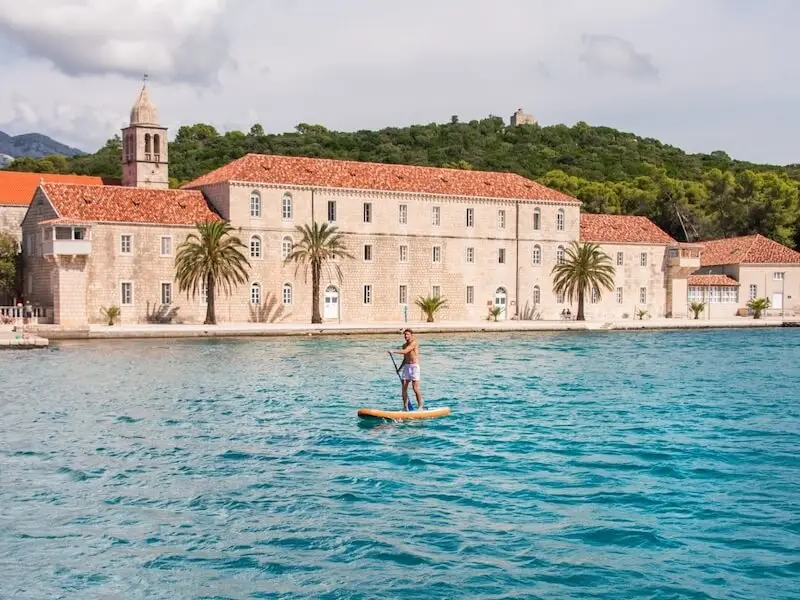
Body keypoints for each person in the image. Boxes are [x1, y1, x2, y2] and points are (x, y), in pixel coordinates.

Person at [388, 328, 423, 411]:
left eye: (407, 334)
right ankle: (405, 407)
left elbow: (405, 351)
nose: (405, 336)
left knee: (415, 388)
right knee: (404, 387)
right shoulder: (404, 345)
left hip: (414, 366)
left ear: (411, 335)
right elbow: (405, 358)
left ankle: (420, 407)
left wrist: (393, 351)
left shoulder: (414, 343)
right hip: (407, 366)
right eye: (405, 334)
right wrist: (399, 369)